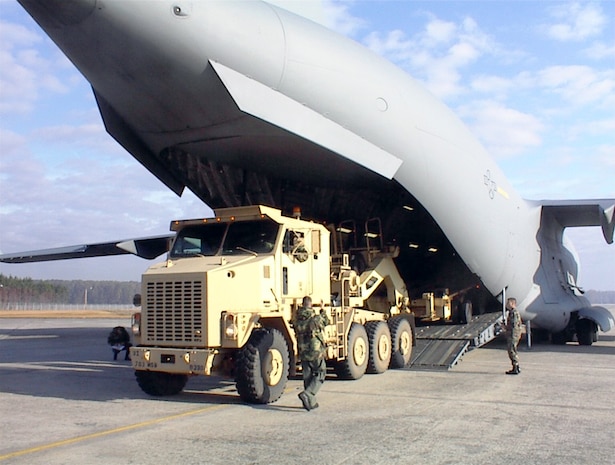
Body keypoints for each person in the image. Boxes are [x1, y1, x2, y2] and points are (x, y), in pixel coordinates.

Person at [293, 296, 330, 411]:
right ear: (310, 305)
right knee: (320, 373)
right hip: (315, 351)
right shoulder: (315, 318)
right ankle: (308, 394)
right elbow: (326, 321)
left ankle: (310, 403)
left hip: (303, 351)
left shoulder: (296, 320)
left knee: (307, 376)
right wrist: (322, 309)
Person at [504, 297, 522, 375]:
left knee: (511, 350)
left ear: (512, 303)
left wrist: (505, 327)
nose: (507, 305)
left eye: (508, 303)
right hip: (514, 334)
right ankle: (517, 367)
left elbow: (513, 325)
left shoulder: (513, 313)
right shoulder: (514, 312)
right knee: (513, 350)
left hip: (513, 334)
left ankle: (515, 367)